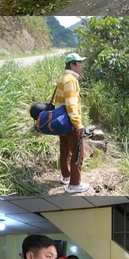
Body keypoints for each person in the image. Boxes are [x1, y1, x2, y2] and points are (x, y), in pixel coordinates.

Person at [55, 52, 90, 194]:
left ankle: (66, 176)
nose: (82, 65)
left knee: (65, 150)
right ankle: (74, 185)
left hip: (60, 122)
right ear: (72, 65)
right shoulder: (70, 80)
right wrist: (78, 124)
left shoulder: (63, 77)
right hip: (69, 122)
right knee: (77, 153)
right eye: (79, 63)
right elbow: (71, 104)